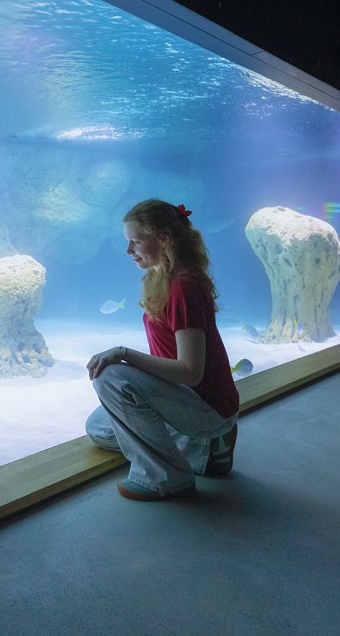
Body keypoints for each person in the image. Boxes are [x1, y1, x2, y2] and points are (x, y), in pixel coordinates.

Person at [86, 199, 240, 501]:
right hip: (185, 398)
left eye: (135, 241)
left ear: (164, 239)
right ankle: (199, 449)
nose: (129, 251)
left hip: (208, 406)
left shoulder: (184, 287)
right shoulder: (163, 278)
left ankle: (168, 478)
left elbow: (191, 371)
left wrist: (124, 353)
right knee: (97, 428)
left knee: (111, 377)